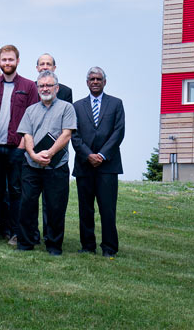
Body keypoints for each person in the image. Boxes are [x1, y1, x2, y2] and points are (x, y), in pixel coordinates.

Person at [16, 70, 76, 255]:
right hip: (31, 166)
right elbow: (27, 134)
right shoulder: (30, 110)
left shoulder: (67, 108)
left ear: (56, 88)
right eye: (41, 85)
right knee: (26, 204)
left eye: (49, 85)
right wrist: (33, 155)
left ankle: (54, 245)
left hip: (56, 166)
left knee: (56, 206)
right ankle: (26, 243)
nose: (45, 88)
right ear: (37, 88)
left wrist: (49, 153)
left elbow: (66, 134)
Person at [0, 44, 39, 245]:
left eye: (11, 60)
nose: (7, 63)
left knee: (16, 191)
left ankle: (16, 232)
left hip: (16, 147)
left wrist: (23, 146)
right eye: (4, 59)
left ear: (17, 61)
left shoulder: (28, 86)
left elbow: (32, 118)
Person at [71, 67, 126, 257]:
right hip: (84, 165)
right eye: (92, 79)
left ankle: (109, 247)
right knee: (85, 209)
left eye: (99, 79)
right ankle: (87, 246)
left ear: (105, 82)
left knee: (107, 209)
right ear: (87, 82)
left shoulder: (116, 104)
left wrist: (102, 155)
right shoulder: (77, 106)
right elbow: (74, 135)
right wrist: (89, 155)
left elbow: (119, 132)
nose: (95, 82)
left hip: (108, 166)